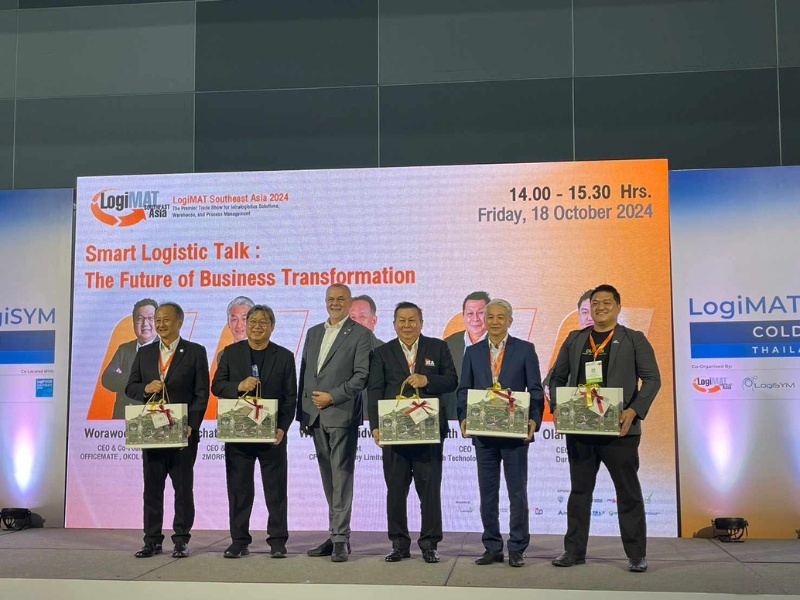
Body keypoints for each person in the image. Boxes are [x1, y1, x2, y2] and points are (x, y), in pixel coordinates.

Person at [549, 284, 660, 573]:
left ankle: (636, 555)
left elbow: (652, 379)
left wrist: (634, 411)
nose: (600, 307)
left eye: (607, 302)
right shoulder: (575, 339)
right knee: (579, 492)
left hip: (619, 432)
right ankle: (573, 551)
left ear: (618, 307)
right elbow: (556, 377)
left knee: (628, 493)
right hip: (581, 430)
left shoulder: (634, 339)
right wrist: (557, 406)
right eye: (595, 303)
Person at [367, 302, 457, 564]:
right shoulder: (382, 353)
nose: (407, 325)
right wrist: (376, 425)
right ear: (394, 324)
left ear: (421, 322)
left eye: (412, 320)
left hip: (428, 431)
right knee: (395, 490)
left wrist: (427, 380)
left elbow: (452, 380)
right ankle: (399, 544)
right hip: (394, 431)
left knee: (429, 490)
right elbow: (374, 390)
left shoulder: (438, 348)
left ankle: (429, 544)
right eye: (402, 321)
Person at [457, 299, 543, 568]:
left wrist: (534, 420)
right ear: (485, 320)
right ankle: (492, 546)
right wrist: (463, 417)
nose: (494, 321)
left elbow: (535, 390)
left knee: (517, 493)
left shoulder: (525, 349)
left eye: (500, 317)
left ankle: (517, 547)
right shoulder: (472, 352)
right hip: (483, 435)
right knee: (488, 493)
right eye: (490, 317)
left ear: (510, 321)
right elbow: (463, 390)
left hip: (515, 435)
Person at [211, 304, 297, 559]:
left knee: (276, 490)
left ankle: (278, 541)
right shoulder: (230, 353)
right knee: (239, 489)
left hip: (272, 435)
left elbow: (290, 397)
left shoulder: (284, 356)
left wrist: (282, 428)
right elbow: (217, 386)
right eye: (253, 322)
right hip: (239, 433)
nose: (257, 327)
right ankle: (239, 540)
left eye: (263, 322)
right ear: (246, 325)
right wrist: (239, 385)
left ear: (272, 327)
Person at [125, 302, 210, 559]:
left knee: (183, 489)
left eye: (166, 319)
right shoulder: (145, 353)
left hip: (183, 432)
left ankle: (181, 540)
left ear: (179, 322)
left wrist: (191, 425)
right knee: (152, 489)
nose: (160, 324)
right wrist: (145, 388)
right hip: (152, 431)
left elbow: (201, 393)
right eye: (158, 320)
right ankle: (151, 540)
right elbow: (130, 387)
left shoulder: (195, 352)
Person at [297, 284, 372, 562]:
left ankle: (340, 537)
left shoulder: (361, 334)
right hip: (315, 415)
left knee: (341, 477)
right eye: (331, 299)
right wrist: (303, 413)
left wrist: (333, 397)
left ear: (350, 303)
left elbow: (361, 376)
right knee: (329, 479)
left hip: (341, 413)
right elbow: (306, 372)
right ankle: (336, 534)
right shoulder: (314, 332)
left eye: (341, 299)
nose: (335, 303)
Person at [102, 298, 158, 419]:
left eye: (150, 318)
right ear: (133, 323)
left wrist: (124, 378)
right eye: (140, 319)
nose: (145, 324)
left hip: (156, 418)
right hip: (123, 418)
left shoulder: (169, 349)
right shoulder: (124, 349)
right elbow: (107, 379)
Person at [443, 291, 490, 419]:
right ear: (463, 316)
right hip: (455, 418)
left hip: (490, 416)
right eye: (470, 313)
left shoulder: (502, 344)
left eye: (480, 313)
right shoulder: (448, 344)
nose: (475, 318)